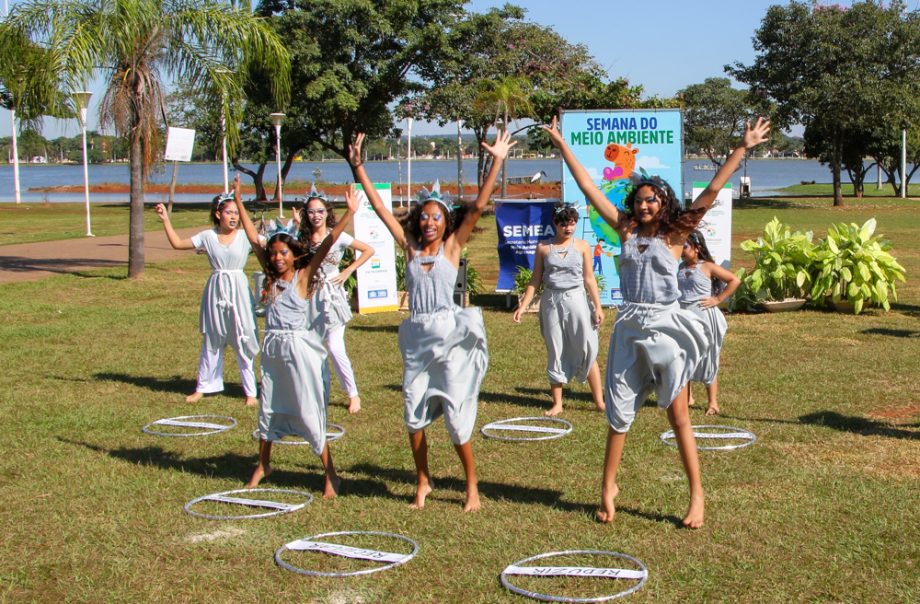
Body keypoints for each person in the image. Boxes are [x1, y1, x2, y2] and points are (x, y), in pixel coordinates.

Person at [543, 115, 770, 528]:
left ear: (664, 203)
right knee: (618, 415)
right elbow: (589, 188)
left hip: (666, 328)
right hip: (629, 327)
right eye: (639, 199)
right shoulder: (625, 230)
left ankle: (696, 495)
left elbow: (713, 189)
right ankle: (608, 488)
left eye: (652, 199)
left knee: (679, 416)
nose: (644, 204)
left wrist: (743, 147)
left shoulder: (677, 236)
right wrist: (562, 145)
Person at [348, 130, 515, 512]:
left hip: (449, 340)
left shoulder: (453, 247)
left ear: (445, 221)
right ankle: (423, 480)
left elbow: (476, 208)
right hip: (416, 338)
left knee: (457, 421)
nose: (428, 223)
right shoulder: (408, 248)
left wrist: (497, 161)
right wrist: (358, 165)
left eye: (436, 217)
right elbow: (380, 209)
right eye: (424, 217)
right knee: (413, 415)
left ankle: (471, 484)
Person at [236, 177, 359, 496]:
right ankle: (263, 464)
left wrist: (349, 213)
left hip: (301, 351)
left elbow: (330, 242)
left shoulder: (303, 277)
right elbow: (253, 238)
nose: (277, 258)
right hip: (274, 352)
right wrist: (238, 201)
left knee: (308, 410)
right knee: (269, 408)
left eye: (283, 253)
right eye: (273, 253)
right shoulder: (270, 277)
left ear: (294, 254)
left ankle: (331, 473)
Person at [155, 188, 259, 407]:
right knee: (212, 339)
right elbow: (177, 243)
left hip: (238, 289)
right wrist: (165, 220)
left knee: (243, 337)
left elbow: (270, 243)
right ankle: (203, 387)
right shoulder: (208, 236)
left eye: (236, 213)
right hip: (216, 289)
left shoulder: (244, 236)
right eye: (229, 212)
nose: (234, 217)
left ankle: (250, 392)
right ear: (218, 214)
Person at [512, 203, 606, 416]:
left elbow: (589, 279)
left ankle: (599, 402)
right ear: (555, 224)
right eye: (564, 224)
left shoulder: (582, 246)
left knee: (587, 347)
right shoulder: (544, 247)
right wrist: (523, 306)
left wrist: (597, 306)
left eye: (572, 223)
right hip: (551, 302)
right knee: (556, 349)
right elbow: (535, 280)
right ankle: (557, 403)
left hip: (577, 300)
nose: (568, 228)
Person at [296, 185, 375, 414]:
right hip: (310, 296)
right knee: (311, 346)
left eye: (320, 211)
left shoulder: (338, 235)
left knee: (335, 346)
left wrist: (349, 270)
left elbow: (368, 250)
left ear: (327, 212)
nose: (316, 216)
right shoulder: (303, 238)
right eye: (311, 212)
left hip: (332, 296)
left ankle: (353, 394)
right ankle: (313, 391)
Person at [678, 230, 739, 416]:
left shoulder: (707, 267)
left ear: (697, 248)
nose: (681, 250)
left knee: (708, 357)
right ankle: (687, 397)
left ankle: (713, 403)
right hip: (684, 316)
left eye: (685, 246)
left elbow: (734, 280)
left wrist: (718, 299)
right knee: (684, 356)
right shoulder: (680, 267)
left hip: (704, 316)